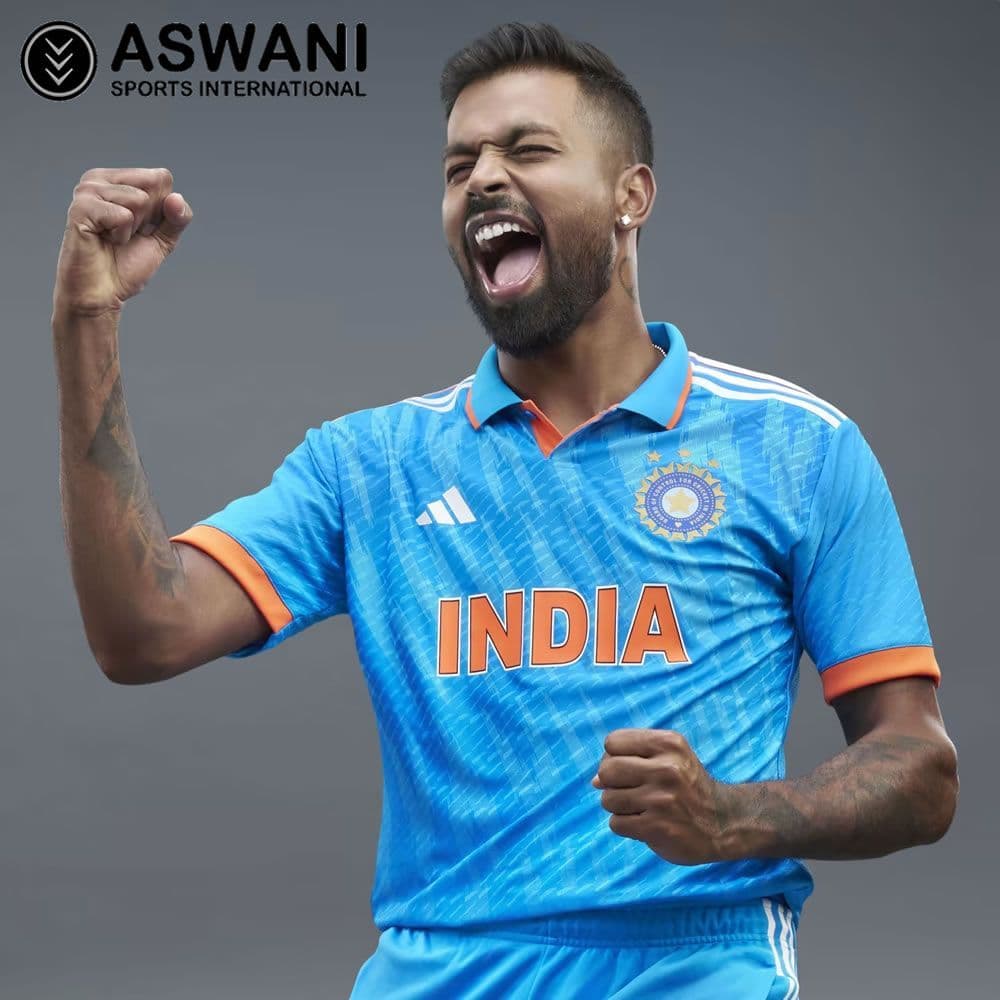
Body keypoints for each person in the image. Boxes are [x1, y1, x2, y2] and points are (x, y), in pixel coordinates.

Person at [51, 21, 958, 1000]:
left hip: (695, 963)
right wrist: (85, 323)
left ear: (631, 196)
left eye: (527, 149)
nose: (482, 178)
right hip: (437, 967)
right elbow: (143, 634)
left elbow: (919, 768)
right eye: (459, 166)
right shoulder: (370, 464)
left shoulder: (796, 446)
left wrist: (733, 818)